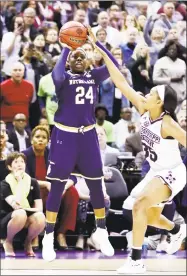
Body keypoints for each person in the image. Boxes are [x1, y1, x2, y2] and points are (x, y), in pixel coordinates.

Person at [91, 26, 186, 274]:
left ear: (161, 103)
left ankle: (136, 260)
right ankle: (177, 229)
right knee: (143, 214)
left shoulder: (168, 124)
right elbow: (120, 81)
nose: (147, 92)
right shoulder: (144, 107)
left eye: (153, 92)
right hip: (155, 172)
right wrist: (100, 48)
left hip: (173, 172)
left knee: (140, 205)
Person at [41, 27, 119, 262]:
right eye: (74, 56)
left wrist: (96, 45)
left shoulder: (93, 76)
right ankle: (48, 236)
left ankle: (102, 231)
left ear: (88, 62)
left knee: (96, 186)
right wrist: (67, 47)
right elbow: (56, 75)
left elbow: (114, 65)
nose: (77, 57)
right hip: (64, 136)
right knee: (57, 187)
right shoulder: (63, 78)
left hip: (88, 137)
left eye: (81, 55)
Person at [0, 152, 45, 257]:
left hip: (25, 216)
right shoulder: (4, 184)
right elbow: (16, 205)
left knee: (40, 217)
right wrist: (20, 181)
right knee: (20, 213)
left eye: (22, 161)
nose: (20, 164)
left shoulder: (33, 182)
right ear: (9, 167)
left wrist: (28, 211)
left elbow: (39, 208)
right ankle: (8, 241)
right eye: (16, 162)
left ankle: (28, 242)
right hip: (7, 219)